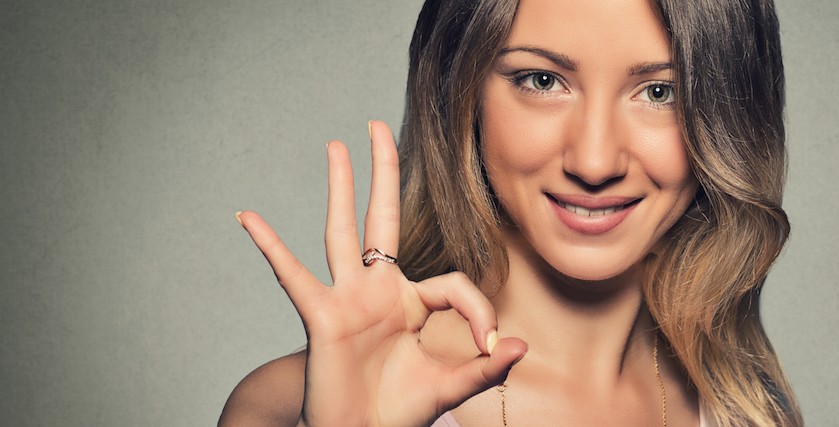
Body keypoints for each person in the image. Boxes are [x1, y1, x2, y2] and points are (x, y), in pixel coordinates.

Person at [219, 0, 800, 425]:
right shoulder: (283, 407)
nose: (594, 161)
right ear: (462, 95)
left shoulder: (747, 405)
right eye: (542, 81)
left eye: (660, 92)